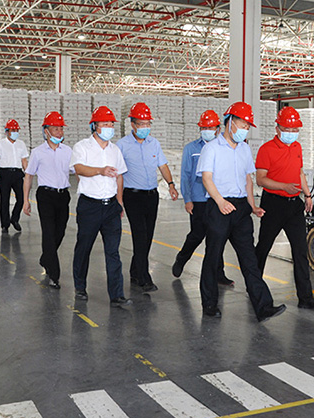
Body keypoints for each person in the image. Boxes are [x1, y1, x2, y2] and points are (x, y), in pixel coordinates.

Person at [196, 101, 286, 322]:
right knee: (213, 256)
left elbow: (248, 179)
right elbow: (206, 178)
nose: (245, 129)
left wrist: (252, 205)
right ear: (230, 122)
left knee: (249, 259)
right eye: (243, 124)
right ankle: (209, 304)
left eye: (247, 126)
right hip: (219, 207)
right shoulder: (211, 148)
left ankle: (263, 307)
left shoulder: (245, 149)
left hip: (241, 209)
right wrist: (220, 202)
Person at [254, 107, 314, 310]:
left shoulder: (296, 147)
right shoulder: (266, 149)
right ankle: (255, 289)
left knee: (300, 251)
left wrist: (308, 195)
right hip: (273, 204)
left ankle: (306, 298)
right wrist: (283, 186)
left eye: (295, 129)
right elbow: (261, 179)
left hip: (294, 205)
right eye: (287, 129)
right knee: (263, 247)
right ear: (277, 128)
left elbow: (300, 173)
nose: (291, 133)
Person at [70, 106, 133, 307]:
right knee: (84, 247)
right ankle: (80, 286)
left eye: (111, 124)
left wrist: (120, 202)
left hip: (111, 207)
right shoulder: (82, 147)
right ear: (94, 126)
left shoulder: (115, 150)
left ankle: (116, 295)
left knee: (113, 252)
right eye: (105, 123)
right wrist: (100, 170)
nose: (109, 127)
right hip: (90, 206)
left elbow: (120, 176)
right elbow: (78, 168)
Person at [117, 102, 179, 293]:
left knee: (148, 236)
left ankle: (135, 271)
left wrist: (171, 184)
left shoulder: (154, 143)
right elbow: (117, 174)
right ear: (132, 124)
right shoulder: (122, 146)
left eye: (147, 123)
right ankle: (144, 277)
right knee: (140, 235)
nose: (145, 127)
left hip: (151, 195)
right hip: (132, 196)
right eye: (141, 124)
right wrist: (118, 200)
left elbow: (163, 165)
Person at [172, 110, 234, 285]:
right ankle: (181, 259)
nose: (207, 130)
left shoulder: (223, 147)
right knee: (197, 234)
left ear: (217, 129)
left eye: (210, 127)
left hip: (216, 199)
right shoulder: (191, 149)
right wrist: (188, 199)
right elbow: (185, 175)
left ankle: (219, 273)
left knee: (217, 237)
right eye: (204, 127)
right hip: (198, 199)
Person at [23, 112, 73, 290]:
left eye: (61, 129)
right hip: (45, 196)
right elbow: (29, 176)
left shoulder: (68, 151)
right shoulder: (37, 153)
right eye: (55, 129)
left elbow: (78, 171)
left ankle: (45, 258)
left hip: (63, 195)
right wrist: (26, 200)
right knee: (49, 233)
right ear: (46, 131)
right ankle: (54, 274)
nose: (59, 132)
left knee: (60, 232)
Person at [0, 119, 29, 234]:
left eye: (16, 130)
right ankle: (5, 224)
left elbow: (24, 160)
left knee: (21, 198)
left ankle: (15, 218)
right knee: (5, 200)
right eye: (13, 130)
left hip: (17, 173)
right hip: (4, 173)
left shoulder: (21, 144)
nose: (15, 132)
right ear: (7, 131)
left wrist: (28, 173)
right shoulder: (0, 144)